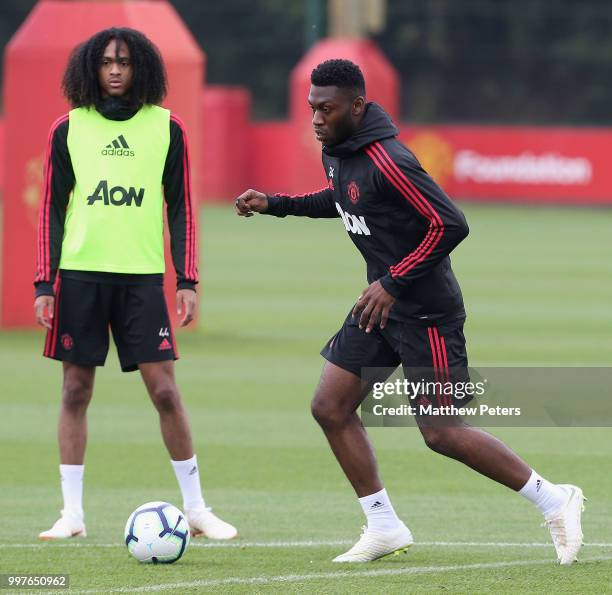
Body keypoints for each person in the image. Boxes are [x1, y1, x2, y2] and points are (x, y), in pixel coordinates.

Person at [235, 59, 584, 564]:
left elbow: (450, 223)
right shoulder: (338, 151)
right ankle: (383, 525)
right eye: (311, 108)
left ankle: (556, 500)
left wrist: (394, 282)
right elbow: (343, 199)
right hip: (380, 308)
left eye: (325, 109)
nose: (315, 118)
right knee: (329, 407)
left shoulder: (389, 159)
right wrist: (278, 204)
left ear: (356, 106)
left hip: (427, 315)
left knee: (441, 433)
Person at [34, 27, 237, 541]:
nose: (116, 70)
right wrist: (44, 283)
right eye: (106, 62)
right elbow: (51, 210)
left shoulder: (167, 128)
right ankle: (72, 515)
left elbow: (182, 209)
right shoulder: (68, 128)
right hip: (81, 276)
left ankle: (196, 508)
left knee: (165, 391)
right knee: (75, 390)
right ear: (91, 69)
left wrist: (187, 278)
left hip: (143, 280)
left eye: (124, 61)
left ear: (141, 67)